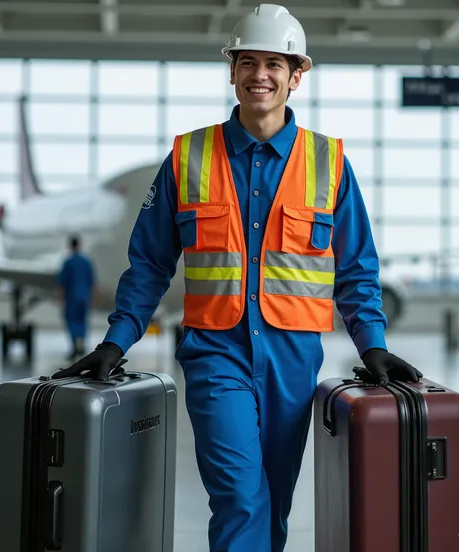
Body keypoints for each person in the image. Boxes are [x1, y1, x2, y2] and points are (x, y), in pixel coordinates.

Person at [53, 4, 421, 551]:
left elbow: (356, 271)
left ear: (298, 75)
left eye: (275, 63)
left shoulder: (330, 164)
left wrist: (373, 346)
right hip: (215, 353)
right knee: (239, 496)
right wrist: (117, 340)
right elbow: (150, 262)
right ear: (232, 70)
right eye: (248, 61)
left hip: (293, 358)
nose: (260, 75)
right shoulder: (187, 157)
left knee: (274, 500)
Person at [56, 235, 96, 360]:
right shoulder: (87, 262)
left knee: (71, 321)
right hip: (84, 297)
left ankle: (74, 347)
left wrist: (60, 299)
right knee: (82, 321)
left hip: (72, 298)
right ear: (79, 245)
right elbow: (93, 282)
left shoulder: (68, 262)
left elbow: (62, 283)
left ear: (70, 246)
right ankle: (82, 345)